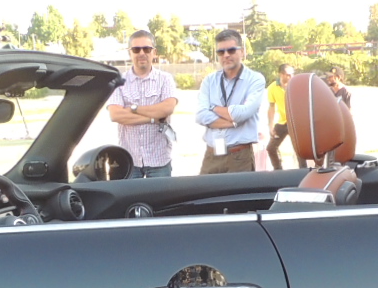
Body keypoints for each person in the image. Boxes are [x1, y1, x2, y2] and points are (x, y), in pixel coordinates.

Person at [106, 30, 179, 177]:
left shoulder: (165, 79)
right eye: (136, 49)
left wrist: (133, 108)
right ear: (130, 53)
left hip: (159, 159)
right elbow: (116, 115)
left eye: (146, 49)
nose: (141, 53)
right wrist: (153, 118)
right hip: (129, 160)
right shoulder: (119, 82)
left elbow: (167, 109)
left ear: (154, 52)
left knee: (161, 194)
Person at [195, 29, 267, 174]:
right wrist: (233, 122)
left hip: (239, 156)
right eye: (221, 52)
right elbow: (201, 116)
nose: (226, 55)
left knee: (239, 191)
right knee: (204, 189)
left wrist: (213, 108)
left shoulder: (255, 79)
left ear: (242, 52)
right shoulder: (209, 81)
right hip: (212, 155)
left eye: (231, 50)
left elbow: (243, 113)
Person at [264, 63, 303, 170]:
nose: (291, 77)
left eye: (292, 74)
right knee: (271, 148)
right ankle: (278, 170)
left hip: (296, 122)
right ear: (281, 74)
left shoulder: (296, 86)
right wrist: (270, 126)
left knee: (300, 149)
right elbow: (271, 107)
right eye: (288, 75)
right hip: (283, 122)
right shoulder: (272, 87)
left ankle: (303, 170)